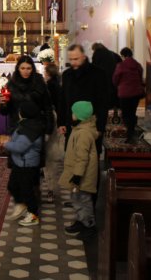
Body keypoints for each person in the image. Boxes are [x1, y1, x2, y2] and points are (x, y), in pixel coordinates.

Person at [57, 44, 108, 154]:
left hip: (91, 124)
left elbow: (103, 103)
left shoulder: (98, 74)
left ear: (84, 57)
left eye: (76, 59)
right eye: (71, 59)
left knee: (90, 157)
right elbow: (63, 100)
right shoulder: (67, 75)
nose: (73, 62)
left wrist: (100, 127)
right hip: (71, 123)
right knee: (71, 156)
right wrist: (61, 122)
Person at [60, 101, 99, 240]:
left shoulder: (83, 133)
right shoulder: (79, 129)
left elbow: (82, 158)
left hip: (82, 175)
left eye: (73, 112)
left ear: (79, 116)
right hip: (78, 173)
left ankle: (89, 226)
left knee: (83, 201)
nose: (72, 114)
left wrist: (77, 175)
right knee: (76, 199)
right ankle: (80, 221)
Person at [4, 101, 45, 226]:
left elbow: (19, 147)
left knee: (27, 191)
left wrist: (6, 143)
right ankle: (22, 204)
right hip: (20, 163)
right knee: (12, 186)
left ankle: (33, 215)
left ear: (24, 113)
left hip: (27, 165)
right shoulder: (27, 124)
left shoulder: (30, 129)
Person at [0, 55, 54, 135]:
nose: (26, 71)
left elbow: (48, 107)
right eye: (23, 68)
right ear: (18, 68)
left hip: (36, 127)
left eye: (28, 68)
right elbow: (4, 112)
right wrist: (3, 104)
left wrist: (48, 130)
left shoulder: (39, 82)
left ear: (32, 69)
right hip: (17, 126)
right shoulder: (12, 83)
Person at [113, 47, 145, 143]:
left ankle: (130, 135)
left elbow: (115, 79)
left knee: (126, 114)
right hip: (136, 93)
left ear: (123, 56)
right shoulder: (138, 65)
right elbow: (141, 78)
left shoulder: (121, 65)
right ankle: (132, 131)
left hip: (125, 94)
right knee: (132, 113)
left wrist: (118, 86)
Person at [42, 62, 62, 202]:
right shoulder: (59, 85)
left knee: (48, 154)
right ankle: (51, 188)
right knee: (51, 153)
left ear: (48, 73)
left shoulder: (47, 86)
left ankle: (50, 188)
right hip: (56, 119)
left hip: (49, 120)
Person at [91, 42, 122, 112]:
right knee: (113, 92)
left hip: (103, 77)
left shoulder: (97, 53)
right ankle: (115, 109)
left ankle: (105, 109)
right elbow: (120, 62)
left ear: (95, 49)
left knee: (104, 94)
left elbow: (94, 66)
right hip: (114, 76)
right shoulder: (112, 53)